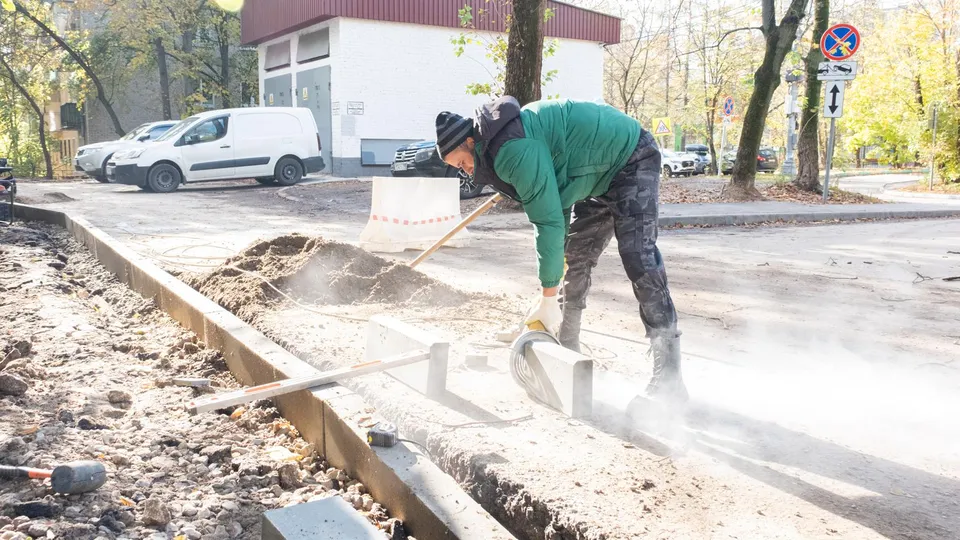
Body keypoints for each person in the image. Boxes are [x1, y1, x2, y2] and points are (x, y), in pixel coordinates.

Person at [435, 96, 687, 403]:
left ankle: (670, 379)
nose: (466, 171)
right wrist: (551, 291)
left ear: (471, 142)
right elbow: (557, 204)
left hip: (630, 155)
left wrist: (547, 295)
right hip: (593, 176)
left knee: (638, 255)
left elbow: (548, 222)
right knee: (577, 257)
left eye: (462, 162)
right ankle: (567, 348)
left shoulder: (511, 151)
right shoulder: (501, 143)